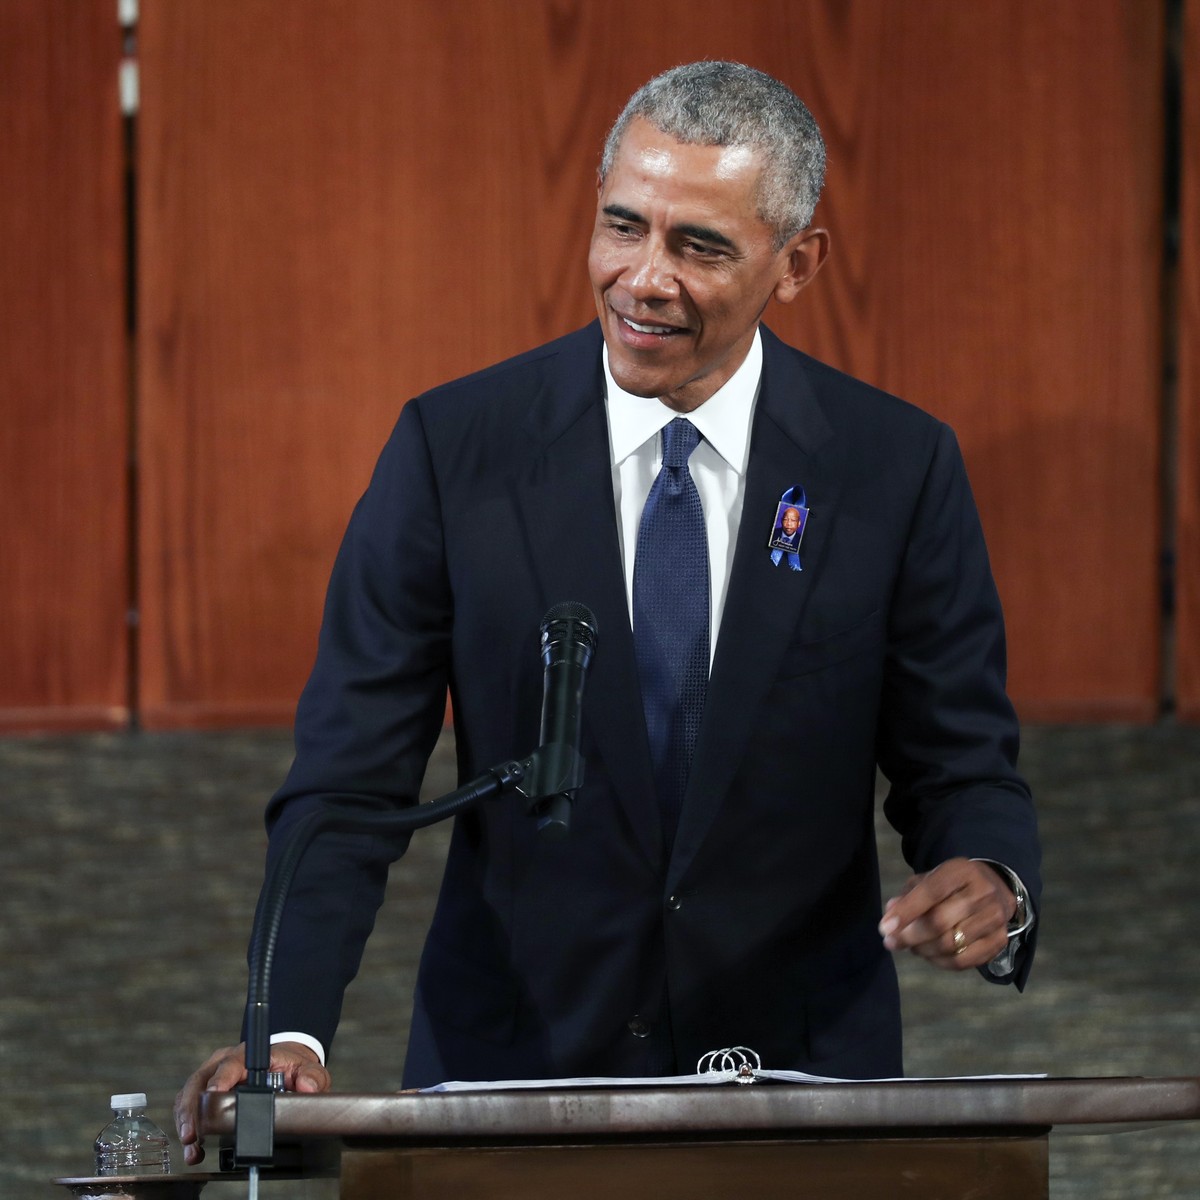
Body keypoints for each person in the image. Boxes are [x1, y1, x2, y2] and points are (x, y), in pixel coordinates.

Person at [176, 60, 1040, 1164]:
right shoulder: (455, 452)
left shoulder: (893, 469)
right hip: (516, 1070)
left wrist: (996, 879)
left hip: (797, 1085)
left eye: (700, 246)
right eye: (623, 227)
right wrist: (285, 1030)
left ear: (798, 263)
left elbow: (960, 762)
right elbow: (349, 786)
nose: (644, 278)